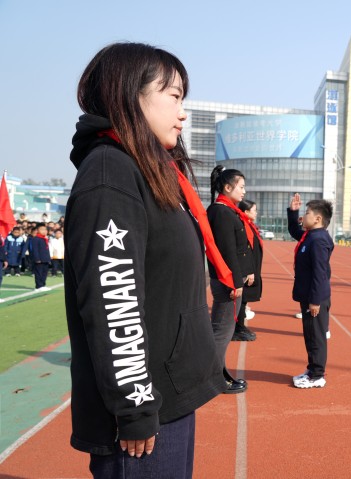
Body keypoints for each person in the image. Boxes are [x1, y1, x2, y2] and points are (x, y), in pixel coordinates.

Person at [64, 42, 228, 478]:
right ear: (129, 94)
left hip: (166, 396)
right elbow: (113, 300)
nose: (182, 113)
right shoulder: (111, 174)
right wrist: (135, 406)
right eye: (174, 96)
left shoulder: (146, 168)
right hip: (143, 413)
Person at [207, 166, 253, 392]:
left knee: (221, 330)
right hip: (227, 281)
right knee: (222, 332)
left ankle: (216, 375)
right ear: (227, 187)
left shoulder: (226, 211)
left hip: (227, 279)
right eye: (241, 187)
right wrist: (235, 282)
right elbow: (227, 251)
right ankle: (214, 380)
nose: (244, 191)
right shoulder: (222, 212)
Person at [287, 193, 334, 389]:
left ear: (318, 219)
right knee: (310, 335)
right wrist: (293, 211)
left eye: (307, 213)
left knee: (316, 337)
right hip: (308, 295)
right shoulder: (310, 236)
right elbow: (294, 230)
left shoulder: (319, 240)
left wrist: (315, 300)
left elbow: (320, 273)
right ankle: (312, 369)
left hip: (315, 297)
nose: (303, 216)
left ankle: (317, 375)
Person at [237, 199, 263, 324]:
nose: (256, 213)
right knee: (243, 297)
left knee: (245, 297)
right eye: (254, 210)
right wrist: (249, 270)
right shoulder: (243, 226)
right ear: (246, 212)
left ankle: (240, 324)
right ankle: (239, 326)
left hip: (252, 266)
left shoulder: (250, 226)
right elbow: (245, 251)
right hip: (247, 268)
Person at [31, 223, 51, 291]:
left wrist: (48, 258)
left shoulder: (44, 239)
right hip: (39, 259)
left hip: (45, 259)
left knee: (44, 273)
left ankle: (43, 284)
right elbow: (35, 250)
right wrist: (37, 258)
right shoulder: (36, 239)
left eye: (45, 229)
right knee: (39, 273)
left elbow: (47, 250)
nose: (44, 231)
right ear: (37, 230)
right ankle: (38, 286)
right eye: (42, 229)